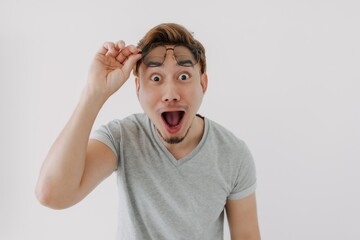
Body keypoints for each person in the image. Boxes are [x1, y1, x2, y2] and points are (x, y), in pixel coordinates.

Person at [35, 23, 261, 240]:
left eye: (183, 76)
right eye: (155, 78)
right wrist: (94, 93)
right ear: (137, 88)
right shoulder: (122, 138)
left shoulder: (233, 154)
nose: (170, 93)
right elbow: (52, 194)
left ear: (202, 84)